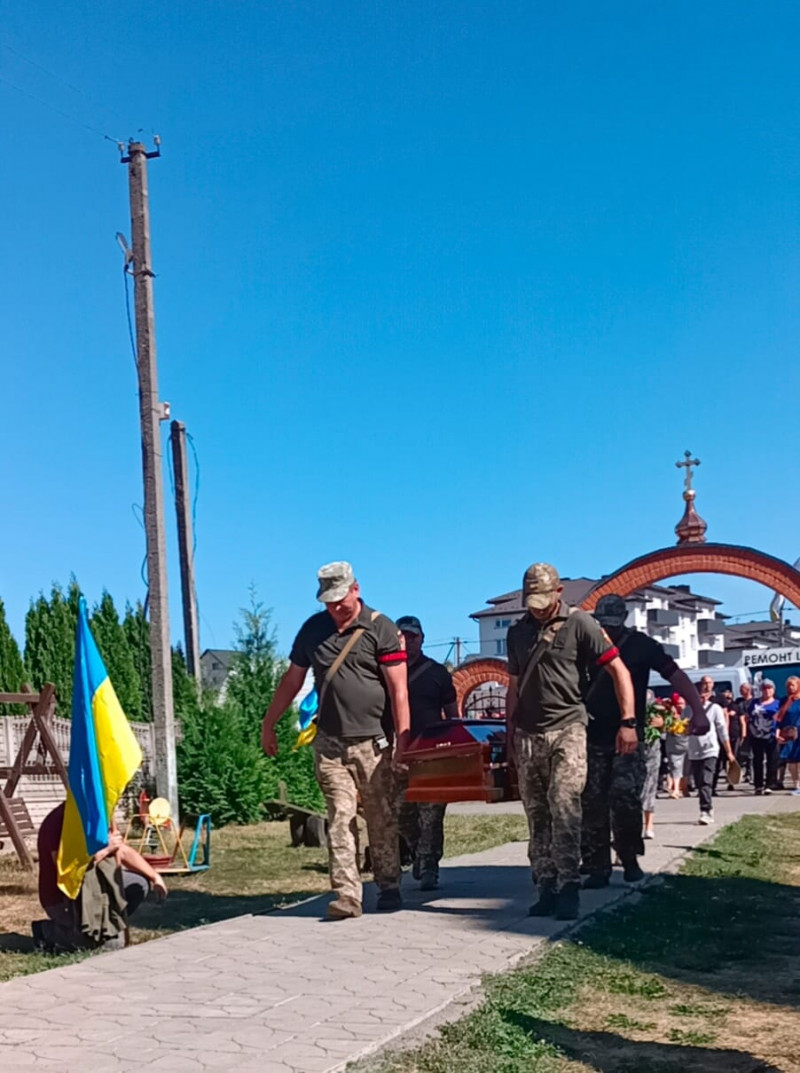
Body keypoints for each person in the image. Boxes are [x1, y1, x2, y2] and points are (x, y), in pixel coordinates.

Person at [261, 562, 411, 919]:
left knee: (380, 817)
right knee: (340, 816)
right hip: (329, 743)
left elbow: (399, 690)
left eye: (340, 600)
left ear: (355, 590)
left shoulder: (381, 628)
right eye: (329, 602)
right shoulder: (312, 631)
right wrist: (269, 723)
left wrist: (402, 741)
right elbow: (292, 681)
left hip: (373, 742)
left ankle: (388, 884)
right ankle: (347, 895)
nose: (336, 608)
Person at [506, 564, 635, 922]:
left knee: (564, 804)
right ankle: (545, 886)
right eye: (531, 601)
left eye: (544, 600)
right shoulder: (517, 633)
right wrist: (509, 734)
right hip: (528, 735)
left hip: (568, 728)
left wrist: (628, 723)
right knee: (537, 814)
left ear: (559, 592)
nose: (537, 607)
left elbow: (619, 671)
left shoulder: (581, 624)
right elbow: (514, 688)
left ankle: (568, 887)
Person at [582, 595, 707, 888]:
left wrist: (697, 710)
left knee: (625, 799)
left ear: (622, 621)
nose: (608, 631)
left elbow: (675, 675)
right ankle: (597, 866)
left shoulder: (641, 645)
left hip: (628, 736)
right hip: (593, 735)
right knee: (592, 803)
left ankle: (629, 857)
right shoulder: (586, 643)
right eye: (604, 625)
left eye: (613, 625)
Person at [34, 802, 168, 952]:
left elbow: (122, 850)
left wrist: (155, 876)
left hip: (97, 885)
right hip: (65, 897)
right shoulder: (58, 821)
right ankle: (47, 931)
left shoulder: (96, 816)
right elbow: (66, 870)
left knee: (138, 884)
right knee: (96, 945)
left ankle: (108, 923)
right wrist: (104, 849)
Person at [392, 615, 459, 891]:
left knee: (432, 814)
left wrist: (454, 748)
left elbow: (453, 715)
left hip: (432, 754)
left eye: (413, 637)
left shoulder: (437, 673)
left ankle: (430, 866)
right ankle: (419, 851)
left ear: (422, 639)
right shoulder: (386, 672)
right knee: (401, 812)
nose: (408, 642)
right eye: (403, 637)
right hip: (399, 754)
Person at [688, 679, 735, 824]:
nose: (701, 698)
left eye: (703, 695)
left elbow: (722, 731)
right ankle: (707, 806)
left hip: (711, 749)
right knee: (699, 782)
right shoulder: (688, 710)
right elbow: (682, 729)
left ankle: (705, 811)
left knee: (706, 780)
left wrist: (729, 752)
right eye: (698, 695)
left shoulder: (715, 709)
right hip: (694, 750)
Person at [747, 678, 781, 795]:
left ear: (773, 690)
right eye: (765, 688)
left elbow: (780, 719)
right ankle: (758, 785)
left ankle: (770, 784)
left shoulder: (777, 703)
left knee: (772, 760)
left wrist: (778, 731)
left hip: (771, 735)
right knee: (757, 760)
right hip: (756, 735)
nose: (767, 691)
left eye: (769, 688)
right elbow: (748, 717)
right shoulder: (754, 702)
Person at [777, 676, 800, 795]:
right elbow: (778, 718)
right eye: (788, 686)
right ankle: (796, 784)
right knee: (791, 760)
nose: (790, 688)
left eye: (793, 685)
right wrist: (779, 732)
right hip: (788, 734)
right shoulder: (784, 701)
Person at [665, 694, 691, 798]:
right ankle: (675, 789)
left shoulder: (689, 714)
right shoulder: (669, 715)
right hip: (673, 746)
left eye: (682, 703)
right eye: (678, 704)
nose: (680, 706)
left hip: (687, 745)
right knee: (675, 767)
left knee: (686, 769)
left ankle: (684, 788)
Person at [733, 682, 753, 783]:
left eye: (742, 689)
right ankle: (738, 772)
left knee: (750, 754)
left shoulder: (753, 701)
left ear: (748, 690)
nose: (741, 691)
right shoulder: (738, 701)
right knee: (739, 752)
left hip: (751, 730)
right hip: (739, 729)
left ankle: (749, 773)